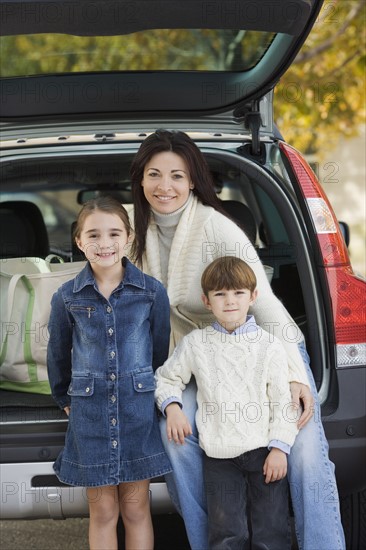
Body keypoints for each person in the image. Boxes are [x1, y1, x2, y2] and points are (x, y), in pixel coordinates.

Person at [130, 129, 345, 550]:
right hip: (196, 356)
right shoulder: (132, 232)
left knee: (301, 452)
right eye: (154, 175)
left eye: (177, 175)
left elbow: (267, 309)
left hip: (266, 347)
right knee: (175, 438)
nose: (165, 186)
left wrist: (296, 373)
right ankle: (216, 541)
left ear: (193, 180)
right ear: (140, 180)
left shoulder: (217, 228)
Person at [47, 196, 172, 550]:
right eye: (94, 235)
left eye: (114, 233)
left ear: (129, 236)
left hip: (137, 415)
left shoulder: (150, 292)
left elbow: (159, 350)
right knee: (102, 512)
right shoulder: (67, 296)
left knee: (136, 509)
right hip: (91, 419)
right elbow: (57, 354)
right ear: (79, 241)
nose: (104, 244)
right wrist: (63, 398)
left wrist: (150, 392)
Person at [155, 256, 299, 549]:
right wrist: (172, 408)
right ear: (207, 301)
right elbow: (166, 378)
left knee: (271, 531)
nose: (230, 301)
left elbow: (283, 402)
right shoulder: (196, 344)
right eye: (220, 294)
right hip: (219, 458)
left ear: (253, 296)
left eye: (238, 293)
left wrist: (280, 448)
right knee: (227, 533)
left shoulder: (269, 345)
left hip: (264, 453)